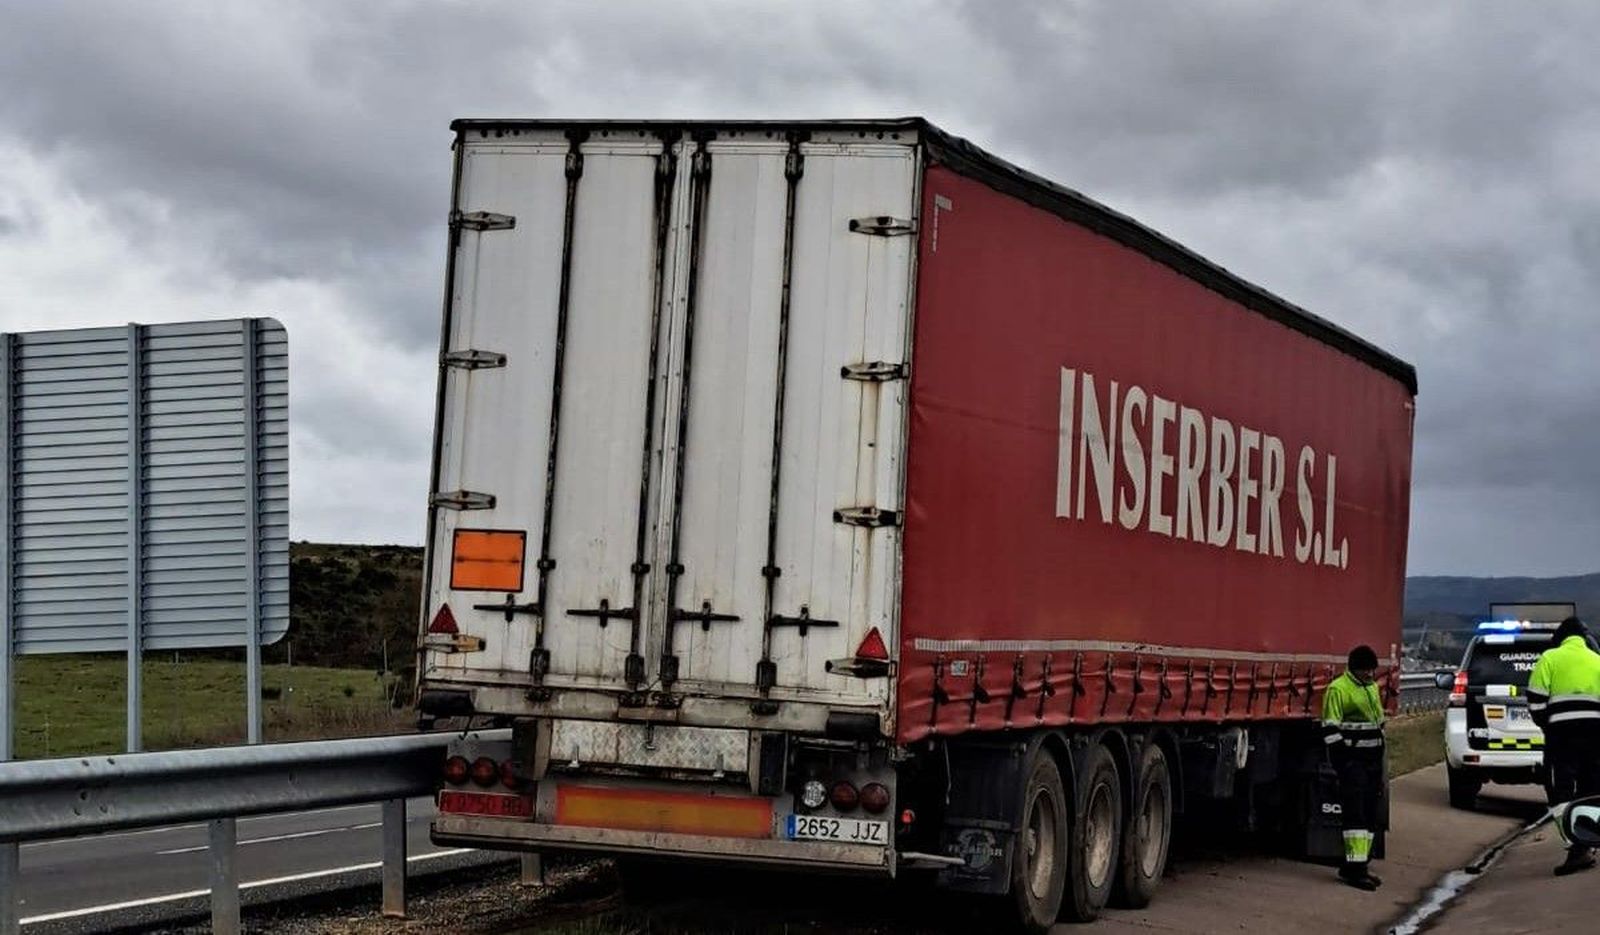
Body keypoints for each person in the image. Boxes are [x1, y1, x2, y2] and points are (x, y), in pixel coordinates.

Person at [1527, 615, 1600, 876]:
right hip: (1595, 734)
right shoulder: (1597, 660)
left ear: (1561, 638)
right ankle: (1588, 839)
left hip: (1561, 736)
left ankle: (1574, 844)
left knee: (1560, 787)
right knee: (1591, 785)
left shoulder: (1550, 658)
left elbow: (1535, 700)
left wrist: (1548, 725)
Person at [1322, 644, 1386, 891]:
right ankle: (1354, 868)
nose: (1370, 674)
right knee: (1356, 815)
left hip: (1372, 762)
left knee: (1370, 813)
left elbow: (1378, 725)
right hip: (1353, 763)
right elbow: (1330, 729)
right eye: (1366, 670)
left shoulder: (1371, 688)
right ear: (1354, 669)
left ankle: (1360, 865)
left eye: (1372, 669)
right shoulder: (1338, 689)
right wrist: (1345, 763)